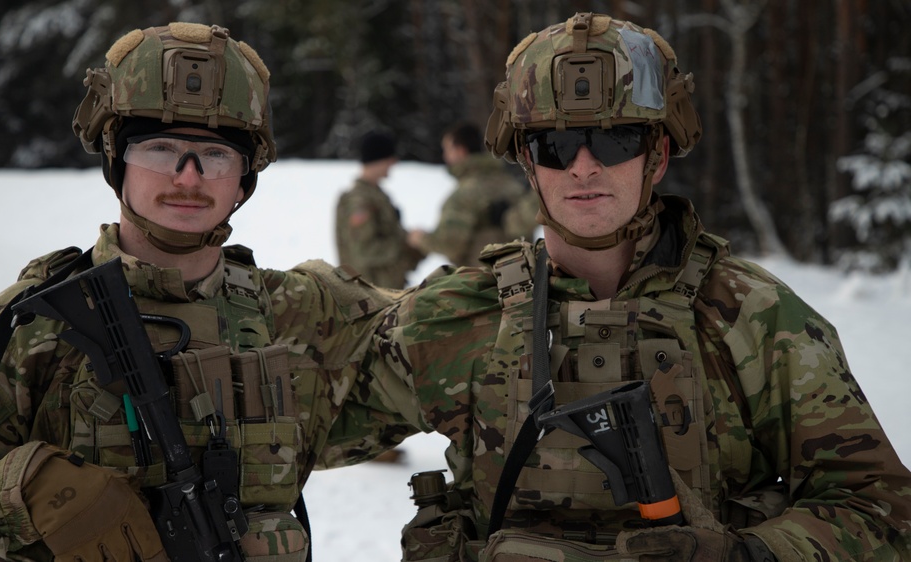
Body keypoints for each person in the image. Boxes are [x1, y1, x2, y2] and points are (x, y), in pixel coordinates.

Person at [341, 12, 911, 561]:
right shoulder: (458, 317)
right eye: (555, 146)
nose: (584, 167)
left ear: (657, 155)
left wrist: (753, 555)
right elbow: (302, 418)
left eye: (615, 141)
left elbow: (881, 509)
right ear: (527, 163)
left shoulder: (755, 318)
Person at [0, 22, 416, 561]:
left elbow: (451, 336)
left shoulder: (300, 312)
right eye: (159, 149)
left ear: (246, 176)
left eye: (216, 156)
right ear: (115, 158)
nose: (188, 178)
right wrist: (24, 504)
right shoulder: (31, 326)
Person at [408, 121, 538, 267]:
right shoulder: (512, 185)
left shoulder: (464, 194)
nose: (445, 156)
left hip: (483, 283)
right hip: (524, 277)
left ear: (460, 150)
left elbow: (450, 244)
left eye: (448, 149)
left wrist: (421, 239)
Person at [335, 130, 423, 289]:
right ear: (377, 159)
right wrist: (406, 243)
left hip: (384, 291)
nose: (394, 163)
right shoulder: (359, 201)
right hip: (370, 296)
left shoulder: (376, 196)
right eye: (390, 158)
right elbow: (365, 251)